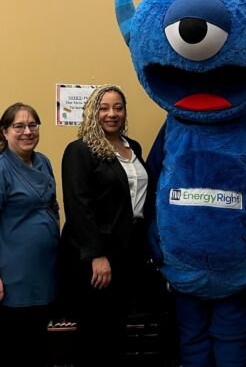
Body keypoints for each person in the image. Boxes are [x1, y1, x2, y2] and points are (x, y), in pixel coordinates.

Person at [59, 85, 153, 366]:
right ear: (92, 112)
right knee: (95, 331)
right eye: (104, 108)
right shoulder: (80, 150)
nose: (112, 114)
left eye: (118, 108)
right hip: (97, 253)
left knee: (117, 328)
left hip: (128, 250)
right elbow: (78, 206)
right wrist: (96, 255)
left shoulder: (132, 147)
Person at [0, 103, 60, 367]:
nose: (27, 132)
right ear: (5, 131)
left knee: (37, 349)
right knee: (8, 352)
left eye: (33, 125)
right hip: (8, 280)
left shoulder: (43, 162)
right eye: (19, 126)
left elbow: (51, 206)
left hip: (40, 275)